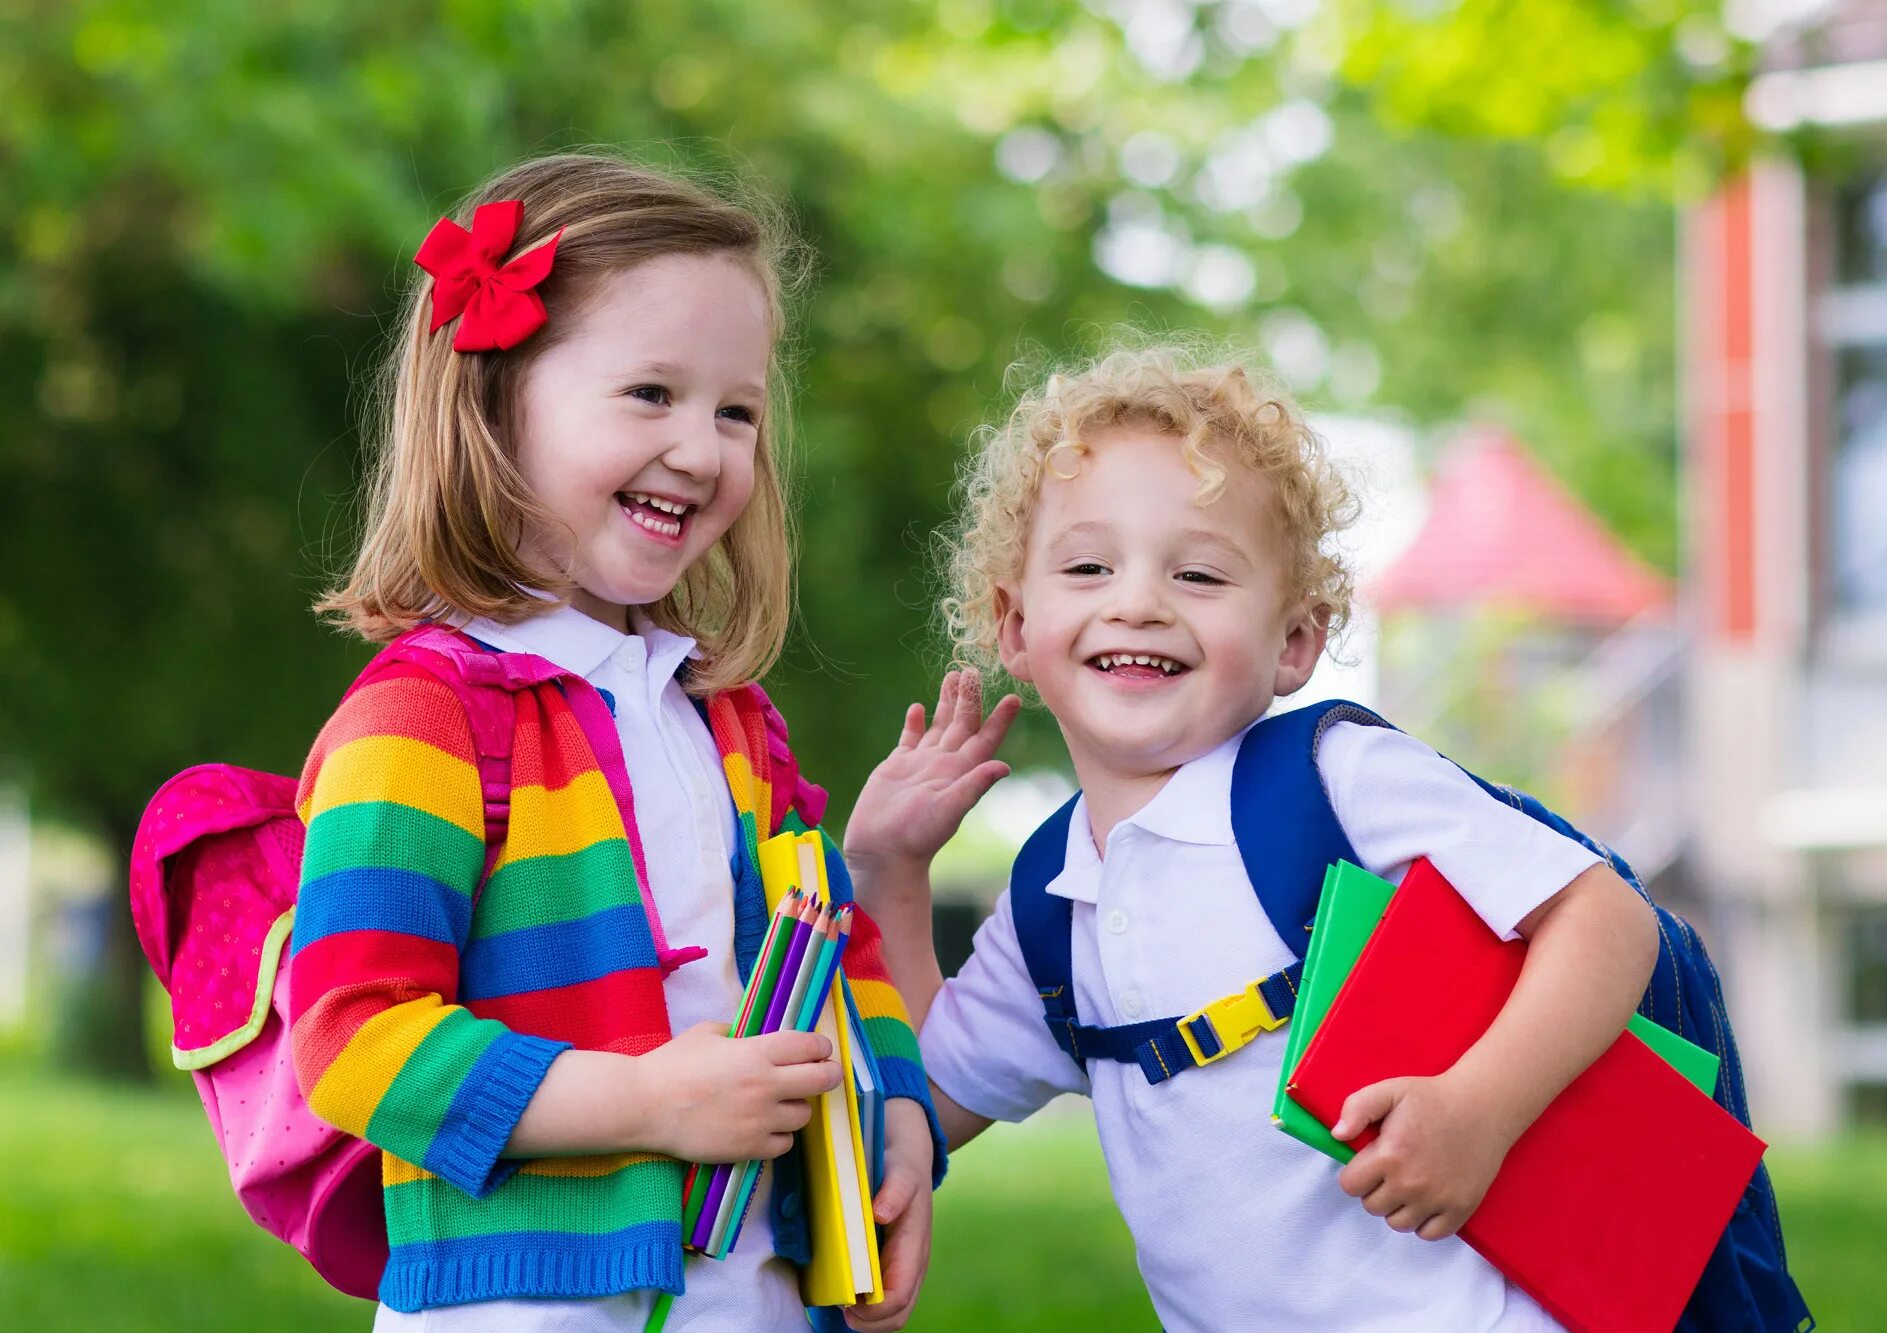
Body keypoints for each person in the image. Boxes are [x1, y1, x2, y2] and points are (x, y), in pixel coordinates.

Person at [293, 152, 990, 1332]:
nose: (705, 449)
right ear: (495, 397)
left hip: (759, 1293)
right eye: (651, 394)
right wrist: (643, 1101)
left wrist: (905, 1123)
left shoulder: (729, 723)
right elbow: (353, 1035)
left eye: (737, 410)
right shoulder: (424, 716)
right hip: (526, 1305)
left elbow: (839, 948)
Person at [846, 345, 1663, 1331]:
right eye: (1087, 565)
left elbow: (1605, 918)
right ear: (1015, 623)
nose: (1137, 600)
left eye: (1196, 573)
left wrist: (1477, 1109)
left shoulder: (1336, 781)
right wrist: (890, 875)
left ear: (1294, 642)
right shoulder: (1052, 907)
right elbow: (919, 1102)